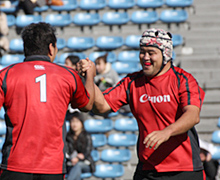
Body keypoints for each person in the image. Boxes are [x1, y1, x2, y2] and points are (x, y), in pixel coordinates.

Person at [79, 28, 206, 180]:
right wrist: (90, 78)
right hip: (148, 169)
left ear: (166, 54)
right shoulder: (132, 82)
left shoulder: (183, 79)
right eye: (142, 52)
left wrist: (167, 132)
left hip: (184, 169)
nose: (145, 57)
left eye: (151, 53)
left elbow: (193, 115)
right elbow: (101, 106)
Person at [0, 22, 96, 180]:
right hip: (52, 167)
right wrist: (89, 75)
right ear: (51, 48)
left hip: (15, 164)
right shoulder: (68, 75)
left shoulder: (6, 75)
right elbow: (87, 105)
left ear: (25, 48)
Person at [66, 112, 95, 180]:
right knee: (76, 170)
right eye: (72, 121)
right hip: (71, 162)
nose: (74, 124)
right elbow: (67, 151)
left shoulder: (86, 136)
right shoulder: (68, 137)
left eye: (77, 121)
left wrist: (78, 158)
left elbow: (87, 152)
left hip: (85, 163)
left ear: (81, 123)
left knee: (77, 166)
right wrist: (72, 158)